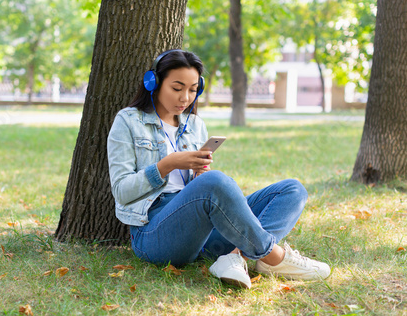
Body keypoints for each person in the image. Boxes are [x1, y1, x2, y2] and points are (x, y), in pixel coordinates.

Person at [107, 49, 330, 288]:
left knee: (292, 190)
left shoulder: (194, 125)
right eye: (177, 88)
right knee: (215, 182)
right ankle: (273, 257)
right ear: (154, 83)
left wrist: (197, 178)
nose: (185, 98)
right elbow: (121, 191)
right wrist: (169, 163)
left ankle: (235, 258)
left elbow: (198, 191)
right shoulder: (129, 121)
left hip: (202, 233)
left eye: (193, 89)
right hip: (154, 234)